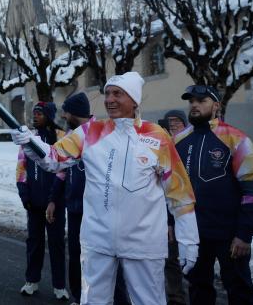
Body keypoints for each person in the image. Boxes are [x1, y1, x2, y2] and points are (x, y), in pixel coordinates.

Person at [11, 72, 199, 304]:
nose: (109, 99)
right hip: (97, 240)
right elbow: (54, 158)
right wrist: (31, 142)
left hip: (144, 242)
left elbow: (179, 192)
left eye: (117, 94)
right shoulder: (92, 131)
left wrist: (189, 239)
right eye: (107, 93)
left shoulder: (157, 136)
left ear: (134, 100)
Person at [175, 85, 253, 305]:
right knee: (198, 290)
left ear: (216, 106)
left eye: (201, 100)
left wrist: (244, 233)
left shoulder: (236, 139)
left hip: (229, 233)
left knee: (239, 290)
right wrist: (171, 224)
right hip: (193, 233)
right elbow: (171, 188)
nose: (194, 105)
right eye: (191, 101)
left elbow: (252, 189)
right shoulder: (178, 140)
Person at [50, 93, 130, 305]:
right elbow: (59, 170)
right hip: (75, 208)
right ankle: (79, 297)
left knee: (108, 259)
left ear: (74, 112)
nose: (64, 115)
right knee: (77, 257)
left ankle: (118, 300)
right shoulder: (71, 136)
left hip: (98, 210)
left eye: (66, 111)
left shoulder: (102, 133)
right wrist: (53, 199)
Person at [16, 101, 69, 299]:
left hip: (55, 203)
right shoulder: (28, 139)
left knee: (56, 244)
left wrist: (54, 198)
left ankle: (60, 286)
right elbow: (21, 168)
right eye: (34, 113)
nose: (35, 116)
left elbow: (63, 170)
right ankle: (31, 281)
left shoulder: (61, 137)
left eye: (39, 113)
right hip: (34, 202)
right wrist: (24, 194)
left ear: (48, 115)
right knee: (34, 242)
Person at [161, 109, 189, 305]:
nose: (173, 125)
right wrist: (169, 221)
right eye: (170, 122)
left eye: (177, 122)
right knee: (171, 259)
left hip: (189, 213)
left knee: (193, 260)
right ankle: (175, 297)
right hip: (168, 214)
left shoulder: (189, 147)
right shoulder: (164, 148)